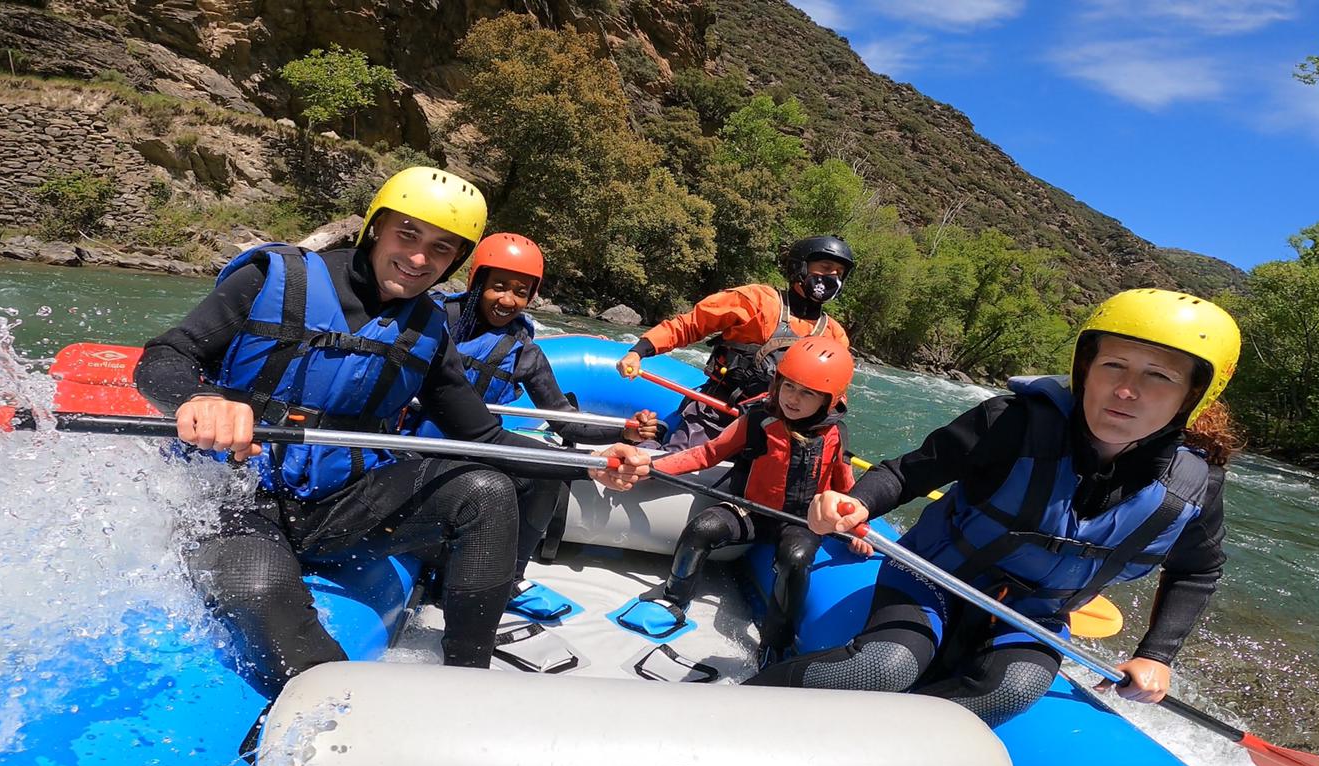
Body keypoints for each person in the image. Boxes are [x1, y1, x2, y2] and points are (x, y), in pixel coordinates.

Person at [132, 167, 649, 729]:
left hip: (338, 503)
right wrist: (199, 399)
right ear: (375, 228)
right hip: (232, 498)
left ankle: (467, 681)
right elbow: (163, 358)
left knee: (487, 489)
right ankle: (339, 714)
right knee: (258, 585)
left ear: (455, 261)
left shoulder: (429, 329)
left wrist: (591, 462)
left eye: (440, 248)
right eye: (407, 235)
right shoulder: (272, 277)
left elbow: (483, 437)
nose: (419, 259)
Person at [748, 289, 1243, 728]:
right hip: (930, 580)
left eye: (1158, 377)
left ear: (1193, 396)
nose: (1127, 390)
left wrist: (1156, 655)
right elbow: (907, 473)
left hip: (1032, 615)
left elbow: (1196, 572)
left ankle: (888, 756)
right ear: (1085, 369)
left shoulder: (1194, 487)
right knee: (883, 665)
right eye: (1114, 365)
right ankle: (744, 704)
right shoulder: (1009, 423)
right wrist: (856, 502)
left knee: (1013, 689)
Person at [403, 231, 660, 596]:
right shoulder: (433, 319)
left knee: (545, 478)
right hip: (413, 441)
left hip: (475, 444)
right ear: (478, 282)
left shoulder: (525, 353)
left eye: (521, 292)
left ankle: (508, 577)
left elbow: (563, 418)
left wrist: (624, 432)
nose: (508, 300)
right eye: (500, 287)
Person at [611, 336, 870, 655]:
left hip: (801, 522)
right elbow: (705, 455)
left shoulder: (835, 435)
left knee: (796, 559)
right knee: (702, 528)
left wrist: (858, 529)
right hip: (753, 511)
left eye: (807, 393)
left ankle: (777, 642)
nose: (793, 398)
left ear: (828, 401)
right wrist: (651, 463)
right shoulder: (758, 421)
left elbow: (845, 488)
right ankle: (674, 601)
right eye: (788, 386)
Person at [616, 236, 855, 451]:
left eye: (839, 273)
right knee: (680, 458)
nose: (832, 277)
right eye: (825, 268)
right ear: (800, 267)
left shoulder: (834, 335)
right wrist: (639, 352)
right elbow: (690, 325)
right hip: (719, 410)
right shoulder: (756, 300)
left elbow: (836, 397)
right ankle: (648, 443)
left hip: (777, 427)